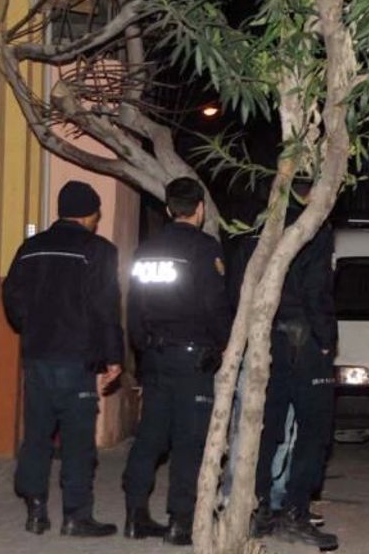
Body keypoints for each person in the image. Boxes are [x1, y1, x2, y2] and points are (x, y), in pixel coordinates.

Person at [3, 181, 124, 537]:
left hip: (38, 356)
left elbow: (12, 297)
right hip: (77, 359)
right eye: (97, 214)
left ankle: (35, 509)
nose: (97, 221)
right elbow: (106, 308)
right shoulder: (99, 250)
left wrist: (31, 326)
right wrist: (113, 357)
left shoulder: (30, 248)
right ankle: (76, 516)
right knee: (77, 440)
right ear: (88, 214)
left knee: (37, 434)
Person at [121, 178, 232, 546]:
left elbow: (134, 307)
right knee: (189, 440)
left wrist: (143, 348)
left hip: (155, 356)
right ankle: (180, 521)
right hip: (192, 359)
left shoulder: (146, 251)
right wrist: (224, 343)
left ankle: (135, 514)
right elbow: (214, 305)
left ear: (169, 209)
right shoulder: (204, 248)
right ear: (200, 209)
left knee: (150, 435)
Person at [246, 185, 339, 551]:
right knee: (314, 432)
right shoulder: (315, 227)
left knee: (267, 429)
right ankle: (295, 513)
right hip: (304, 342)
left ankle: (259, 509)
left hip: (268, 338)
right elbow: (316, 290)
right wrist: (327, 339)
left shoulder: (263, 224)